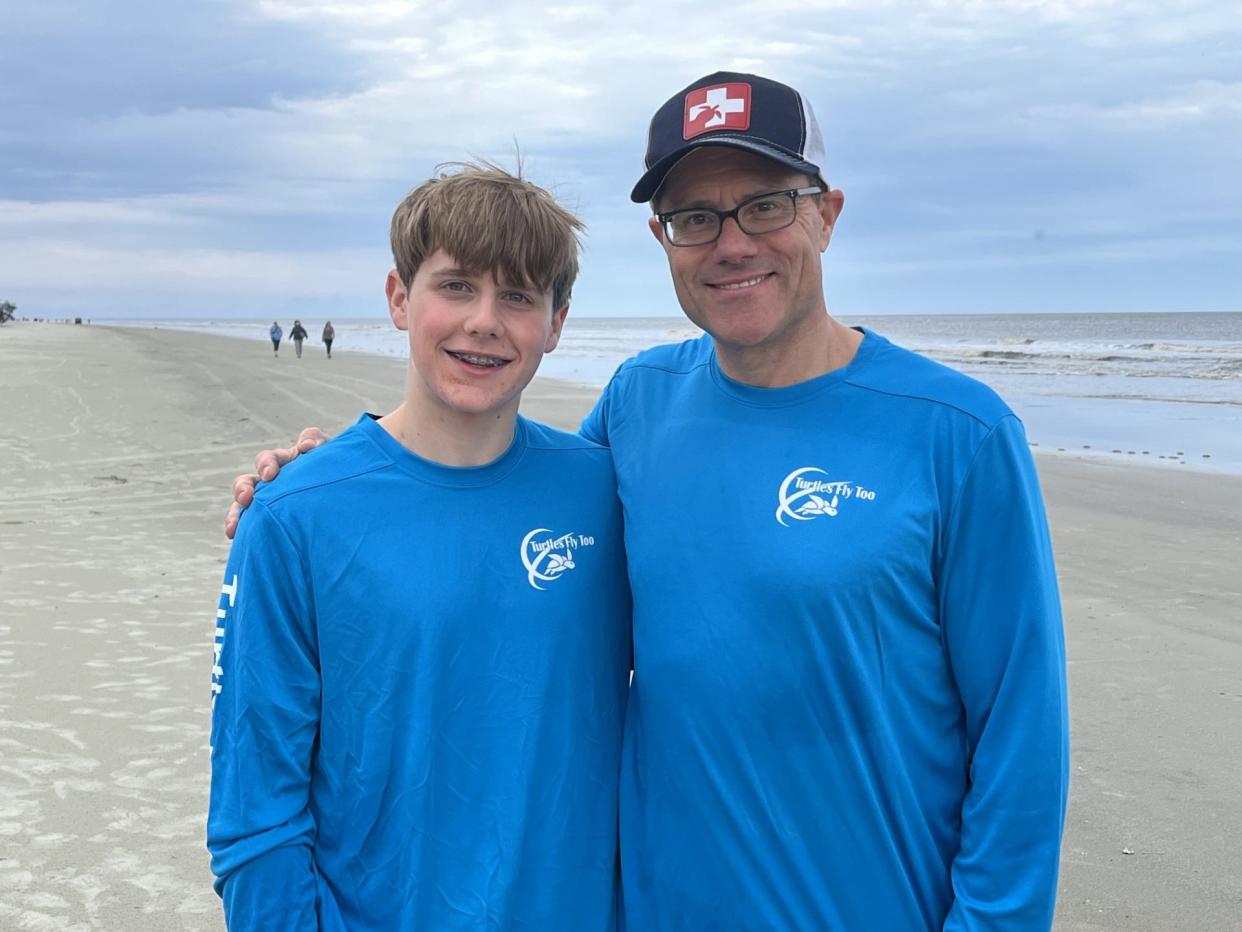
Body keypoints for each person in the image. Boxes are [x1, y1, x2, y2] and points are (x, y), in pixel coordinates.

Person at [228, 73, 1070, 930]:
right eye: (695, 217)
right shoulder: (637, 407)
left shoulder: (958, 434)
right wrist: (313, 482)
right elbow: (480, 495)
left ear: (827, 213)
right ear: (663, 238)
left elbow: (1021, 741)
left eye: (767, 204)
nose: (731, 243)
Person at [209, 163, 630, 930]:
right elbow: (254, 817)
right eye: (458, 286)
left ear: (558, 323)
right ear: (401, 298)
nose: (485, 321)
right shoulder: (295, 516)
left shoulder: (604, 490)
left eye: (519, 296)